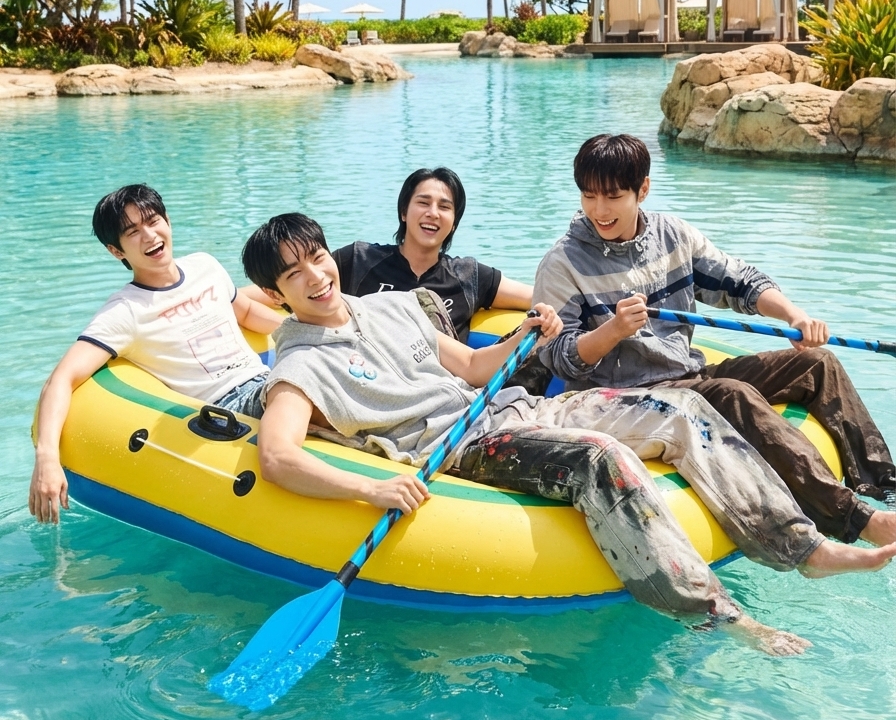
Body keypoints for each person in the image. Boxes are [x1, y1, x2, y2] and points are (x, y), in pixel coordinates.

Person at [240, 212, 896, 657]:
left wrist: (523, 335)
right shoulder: (300, 365)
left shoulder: (388, 306)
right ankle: (718, 615)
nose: (317, 277)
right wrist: (374, 488)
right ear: (275, 293)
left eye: (318, 258)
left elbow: (472, 367)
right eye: (295, 275)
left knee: (680, 408)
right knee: (600, 458)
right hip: (462, 448)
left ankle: (803, 547)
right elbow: (277, 457)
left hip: (514, 407)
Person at [533, 133, 896, 549]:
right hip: (623, 398)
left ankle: (884, 486)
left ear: (642, 189)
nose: (599, 210)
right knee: (733, 395)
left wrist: (795, 316)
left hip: (687, 375)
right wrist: (612, 330)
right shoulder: (561, 263)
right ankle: (855, 519)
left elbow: (740, 281)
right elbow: (557, 357)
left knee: (817, 363)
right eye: (589, 195)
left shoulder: (673, 235)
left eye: (613, 196)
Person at [30, 184, 285, 525]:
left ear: (168, 221)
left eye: (153, 221)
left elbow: (247, 312)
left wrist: (315, 333)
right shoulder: (125, 312)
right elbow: (61, 379)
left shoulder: (205, 266)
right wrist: (47, 457)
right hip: (230, 406)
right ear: (115, 251)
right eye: (132, 232)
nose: (149, 236)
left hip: (267, 379)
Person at [331, 167, 532, 341]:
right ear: (403, 212)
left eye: (444, 207)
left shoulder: (468, 277)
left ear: (454, 224)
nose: (433, 213)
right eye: (423, 203)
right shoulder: (358, 260)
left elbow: (536, 296)